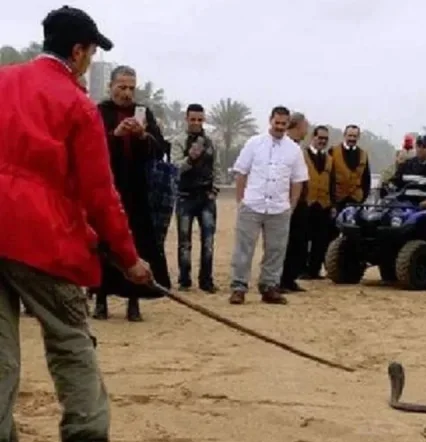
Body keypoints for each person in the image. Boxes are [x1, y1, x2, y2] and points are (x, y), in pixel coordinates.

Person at [0, 6, 153, 442]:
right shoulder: (77, 105)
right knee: (70, 338)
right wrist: (129, 259)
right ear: (77, 51)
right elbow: (100, 195)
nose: (89, 62)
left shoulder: (2, 81)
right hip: (41, 237)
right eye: (90, 52)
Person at [92, 65, 170, 322]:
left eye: (131, 88)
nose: (126, 93)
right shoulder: (98, 112)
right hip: (106, 187)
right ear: (110, 87)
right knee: (103, 245)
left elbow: (159, 149)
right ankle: (100, 298)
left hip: (137, 191)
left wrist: (141, 135)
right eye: (121, 87)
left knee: (136, 245)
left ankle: (134, 301)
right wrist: (115, 135)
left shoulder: (144, 113)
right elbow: (89, 147)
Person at [229, 106, 308, 305]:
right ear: (270, 121)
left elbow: (297, 180)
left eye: (284, 124)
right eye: (277, 123)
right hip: (252, 204)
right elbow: (241, 172)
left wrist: (291, 206)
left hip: (279, 208)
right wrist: (241, 200)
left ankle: (269, 287)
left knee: (276, 250)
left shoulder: (294, 150)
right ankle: (239, 287)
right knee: (243, 249)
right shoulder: (254, 143)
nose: (280, 127)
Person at [171, 103, 220, 293]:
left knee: (208, 242)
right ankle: (184, 280)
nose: (196, 123)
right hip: (185, 197)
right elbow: (175, 169)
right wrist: (190, 158)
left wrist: (214, 190)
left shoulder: (211, 142)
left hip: (206, 198)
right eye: (193, 119)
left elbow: (216, 167)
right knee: (184, 243)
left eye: (200, 119)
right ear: (186, 119)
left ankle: (206, 280)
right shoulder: (179, 141)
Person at [300, 125, 336, 280]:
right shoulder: (302, 155)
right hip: (306, 203)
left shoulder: (329, 159)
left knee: (320, 240)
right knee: (302, 239)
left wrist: (333, 204)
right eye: (320, 138)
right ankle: (300, 269)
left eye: (325, 139)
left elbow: (333, 183)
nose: (322, 141)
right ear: (312, 137)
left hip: (324, 205)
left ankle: (314, 270)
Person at [280, 112, 310, 293]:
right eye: (306, 126)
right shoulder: (285, 146)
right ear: (298, 126)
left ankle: (290, 278)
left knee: (299, 242)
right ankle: (280, 279)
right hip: (287, 201)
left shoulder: (298, 148)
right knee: (286, 242)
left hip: (301, 201)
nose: (307, 129)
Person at [386, 135, 426, 208]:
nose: (420, 149)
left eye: (424, 146)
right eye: (418, 146)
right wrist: (387, 187)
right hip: (405, 206)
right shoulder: (406, 166)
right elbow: (395, 183)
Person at [330, 125, 371, 211]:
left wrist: (363, 198)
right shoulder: (333, 151)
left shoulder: (364, 154)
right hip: (338, 201)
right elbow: (328, 177)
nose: (352, 139)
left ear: (358, 137)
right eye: (350, 136)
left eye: (355, 136)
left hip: (356, 200)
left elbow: (366, 178)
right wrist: (332, 201)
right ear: (344, 135)